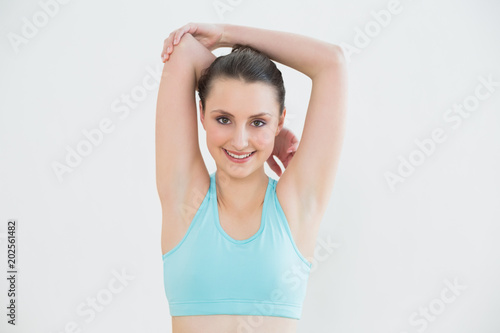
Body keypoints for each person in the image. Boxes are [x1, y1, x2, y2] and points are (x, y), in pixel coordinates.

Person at [156, 23, 348, 333]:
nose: (240, 141)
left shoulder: (295, 205)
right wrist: (264, 126)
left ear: (281, 119)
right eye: (224, 119)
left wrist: (226, 35)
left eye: (256, 122)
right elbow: (185, 50)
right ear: (201, 113)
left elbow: (332, 63)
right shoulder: (184, 199)